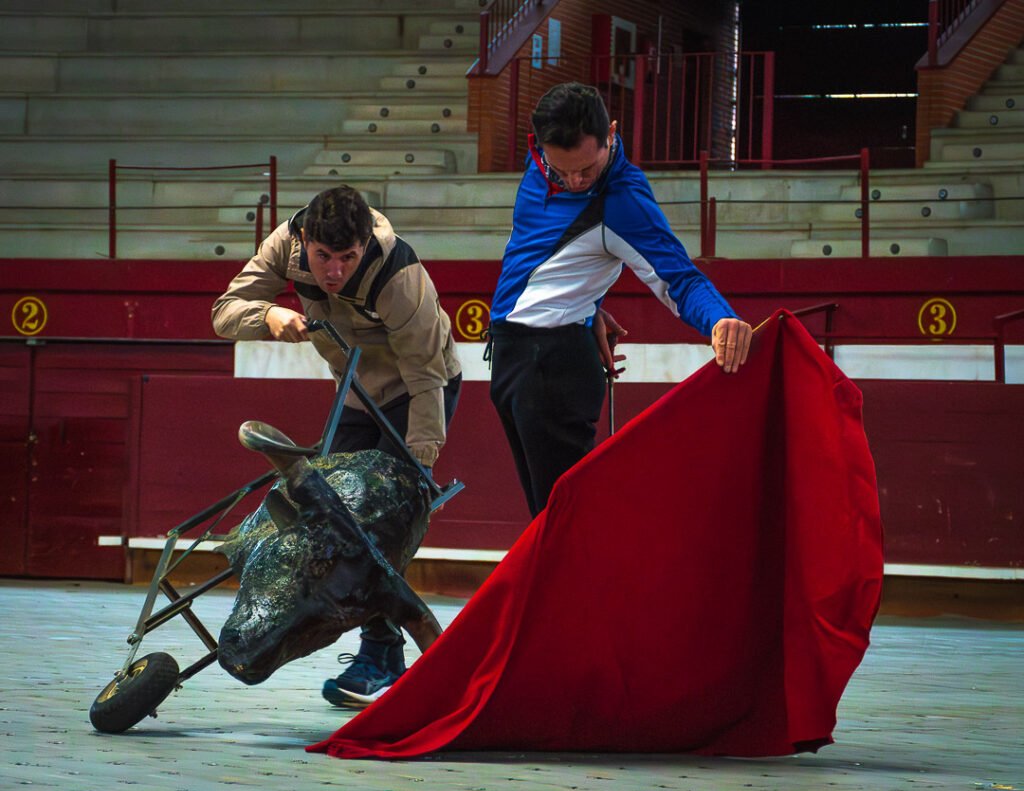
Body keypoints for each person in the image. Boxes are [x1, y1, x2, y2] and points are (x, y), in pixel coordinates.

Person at [212, 184, 461, 706]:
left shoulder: (400, 275)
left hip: (419, 390)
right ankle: (367, 649)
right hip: (355, 390)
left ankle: (378, 656)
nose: (334, 271)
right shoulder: (284, 243)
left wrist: (419, 468)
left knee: (373, 525)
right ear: (305, 239)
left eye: (347, 257)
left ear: (364, 243)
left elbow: (426, 377)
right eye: (323, 256)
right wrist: (268, 316)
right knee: (328, 515)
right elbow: (224, 312)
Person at [488, 82, 752, 517]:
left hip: (550, 367)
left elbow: (680, 279)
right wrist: (588, 306)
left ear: (611, 134)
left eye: (586, 169)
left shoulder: (622, 199)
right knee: (548, 520)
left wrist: (720, 319)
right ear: (539, 146)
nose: (574, 182)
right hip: (513, 357)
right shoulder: (541, 163)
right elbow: (550, 259)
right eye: (562, 171)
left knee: (566, 523)